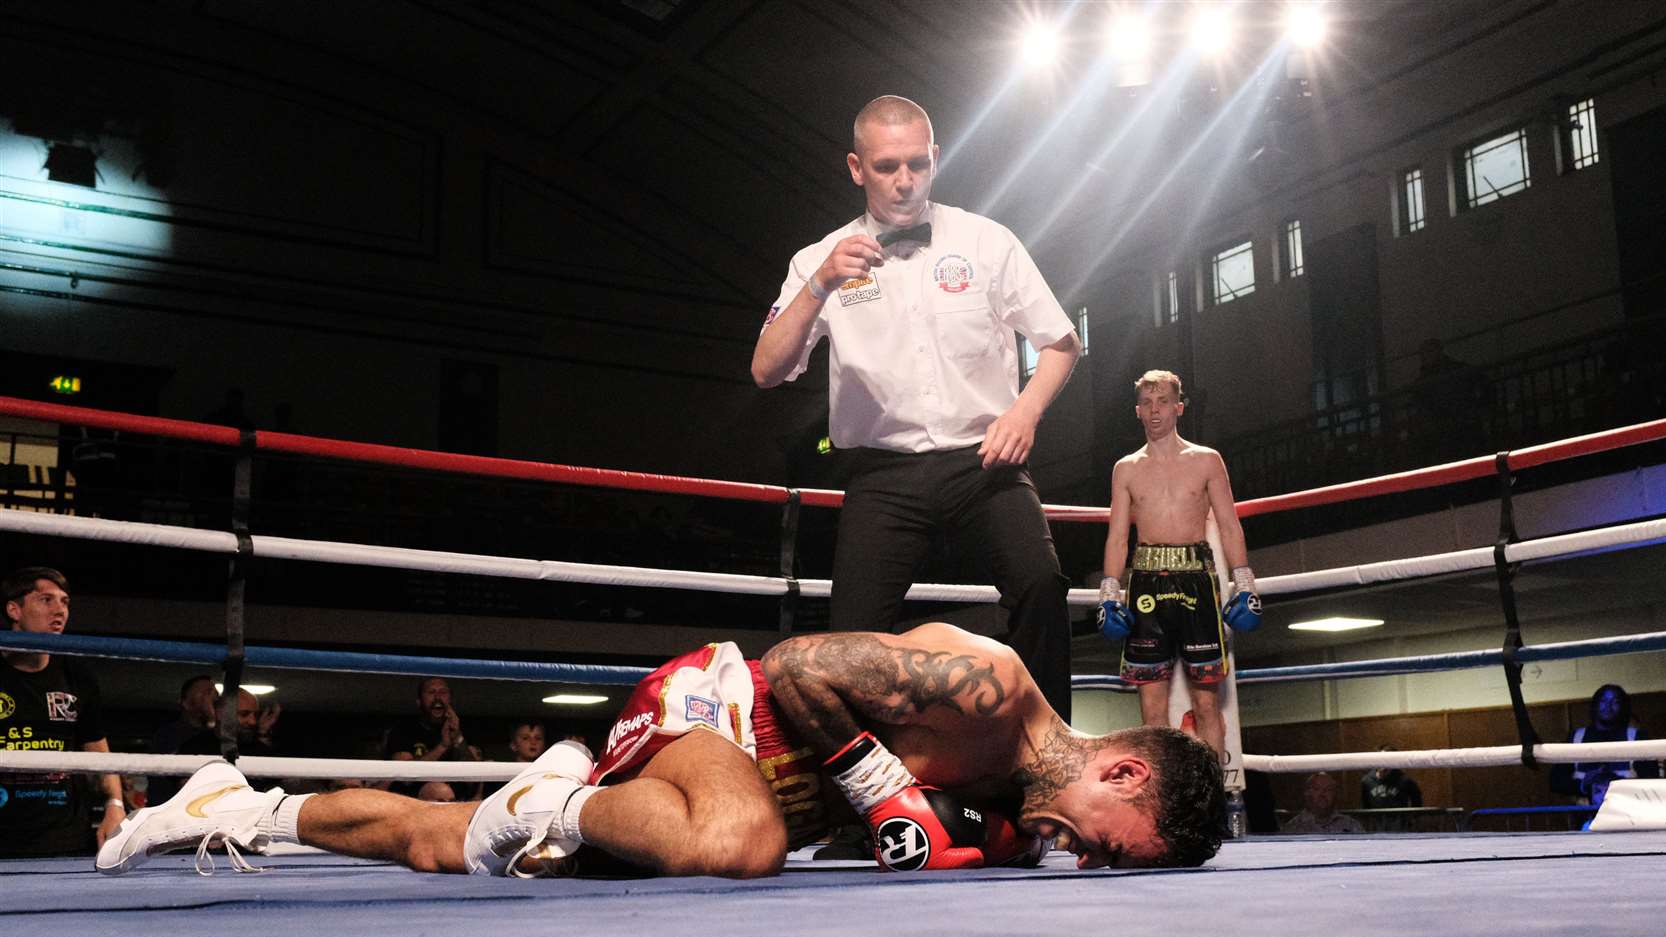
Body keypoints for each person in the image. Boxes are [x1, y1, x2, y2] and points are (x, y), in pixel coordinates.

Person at [98, 622, 1226, 879]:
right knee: (737, 846)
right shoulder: (985, 684)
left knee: (451, 846)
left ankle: (229, 809)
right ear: (1123, 771)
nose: (1087, 860)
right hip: (719, 711)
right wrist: (880, 786)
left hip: (721, 792)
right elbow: (797, 667)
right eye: (1116, 848)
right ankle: (553, 789)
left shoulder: (1019, 811)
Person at [751, 95, 1082, 723]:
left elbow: (1062, 343)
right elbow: (766, 370)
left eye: (915, 164)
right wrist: (819, 284)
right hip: (883, 476)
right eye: (885, 167)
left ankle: (1049, 764)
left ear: (935, 158)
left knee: (1041, 584)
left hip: (982, 462)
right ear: (856, 168)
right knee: (849, 643)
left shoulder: (986, 241)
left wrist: (1024, 412)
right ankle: (865, 795)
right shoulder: (818, 259)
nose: (903, 181)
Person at [1096, 370, 1259, 760]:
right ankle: (1165, 808)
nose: (1155, 411)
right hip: (1146, 584)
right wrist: (1108, 594)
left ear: (1179, 407)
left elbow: (1228, 524)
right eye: (1148, 404)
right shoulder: (1126, 468)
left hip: (1197, 581)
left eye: (1163, 402)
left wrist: (1245, 585)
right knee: (1152, 710)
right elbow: (1118, 536)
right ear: (1137, 411)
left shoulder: (1206, 460)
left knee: (1206, 704)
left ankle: (1210, 805)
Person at [0, 567, 124, 856]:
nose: (60, 610)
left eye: (65, 602)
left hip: (63, 837)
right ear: (14, 610)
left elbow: (98, 751)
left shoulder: (77, 676)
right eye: (46, 600)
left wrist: (114, 805)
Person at [148, 676, 280, 803]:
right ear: (220, 713)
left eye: (255, 714)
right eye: (244, 714)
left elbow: (282, 785)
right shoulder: (190, 745)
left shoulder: (258, 747)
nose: (252, 721)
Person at [1549, 684, 1661, 807]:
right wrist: (1584, 784)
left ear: (1622, 706)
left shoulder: (1636, 737)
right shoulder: (1576, 737)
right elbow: (1556, 781)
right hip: (1584, 815)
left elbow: (1651, 779)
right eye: (1603, 701)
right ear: (1595, 705)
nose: (1608, 707)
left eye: (1615, 702)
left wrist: (1613, 782)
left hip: (1628, 811)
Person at [384, 677, 481, 798]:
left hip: (455, 806)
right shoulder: (403, 729)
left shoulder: (462, 729)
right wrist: (443, 746)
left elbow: (474, 779)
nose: (437, 698)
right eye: (431, 692)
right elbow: (405, 777)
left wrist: (458, 738)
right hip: (414, 804)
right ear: (419, 702)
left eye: (443, 692)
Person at [1280, 772, 1364, 835]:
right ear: (1307, 793)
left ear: (1335, 794)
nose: (1322, 794)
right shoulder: (1293, 828)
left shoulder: (1351, 826)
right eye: (1316, 789)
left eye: (1328, 789)